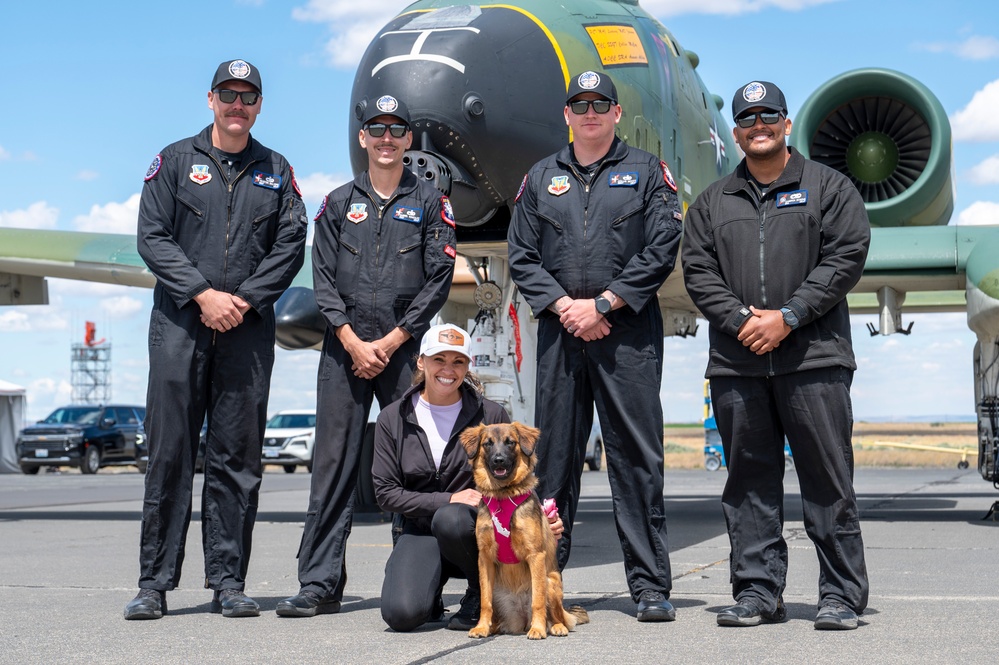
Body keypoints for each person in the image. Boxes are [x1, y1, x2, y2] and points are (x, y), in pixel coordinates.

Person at [682, 80, 871, 630]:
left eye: (769, 117)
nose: (758, 126)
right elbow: (698, 271)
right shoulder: (715, 202)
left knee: (828, 479)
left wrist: (787, 317)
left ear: (786, 124)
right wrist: (745, 321)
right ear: (736, 132)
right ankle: (757, 592)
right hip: (738, 363)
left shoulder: (829, 188)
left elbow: (846, 256)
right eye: (747, 119)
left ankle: (840, 595)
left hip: (814, 359)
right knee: (747, 482)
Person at [125, 59, 308, 620]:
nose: (237, 104)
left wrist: (245, 300)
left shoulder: (276, 170)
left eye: (247, 96)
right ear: (210, 100)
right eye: (228, 94)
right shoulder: (175, 161)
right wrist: (203, 294)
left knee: (236, 458)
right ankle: (154, 584)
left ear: (258, 106)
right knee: (171, 454)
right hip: (181, 326)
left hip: (247, 334)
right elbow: (151, 237)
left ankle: (228, 582)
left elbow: (291, 243)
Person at [507, 71, 683, 622]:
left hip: (626, 337)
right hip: (562, 336)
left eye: (599, 104)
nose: (589, 113)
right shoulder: (540, 178)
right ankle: (546, 583)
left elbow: (661, 246)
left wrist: (604, 305)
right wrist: (567, 308)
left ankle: (651, 588)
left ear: (615, 113)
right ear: (566, 115)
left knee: (635, 460)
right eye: (579, 105)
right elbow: (522, 255)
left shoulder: (648, 172)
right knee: (552, 464)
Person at [277, 95, 457, 617]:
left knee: (415, 467)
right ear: (363, 138)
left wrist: (394, 340)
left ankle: (422, 585)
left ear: (408, 141)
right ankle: (319, 583)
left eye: (396, 130)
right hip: (343, 348)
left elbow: (438, 277)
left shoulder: (429, 202)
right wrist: (353, 340)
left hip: (402, 350)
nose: (385, 138)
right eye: (376, 129)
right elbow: (323, 279)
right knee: (331, 464)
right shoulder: (336, 204)